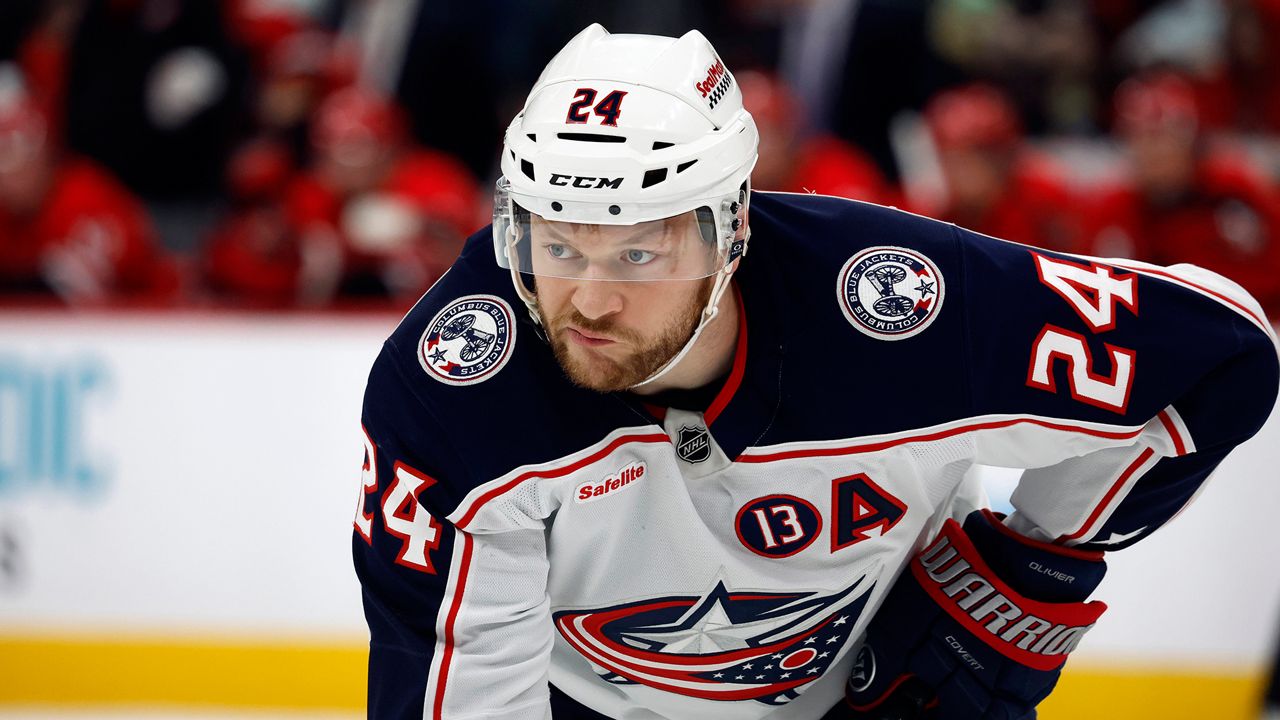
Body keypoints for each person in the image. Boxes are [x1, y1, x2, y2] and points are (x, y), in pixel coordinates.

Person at [352, 25, 1280, 720]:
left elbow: (1221, 353)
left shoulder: (904, 308)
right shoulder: (452, 389)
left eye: (638, 255)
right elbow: (464, 688)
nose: (588, 304)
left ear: (732, 230)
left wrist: (1022, 571)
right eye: (555, 246)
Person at [1086, 70, 1280, 319]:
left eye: (1163, 137)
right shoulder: (1114, 210)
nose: (1153, 152)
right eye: (1140, 138)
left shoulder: (1234, 188)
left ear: (1190, 140)